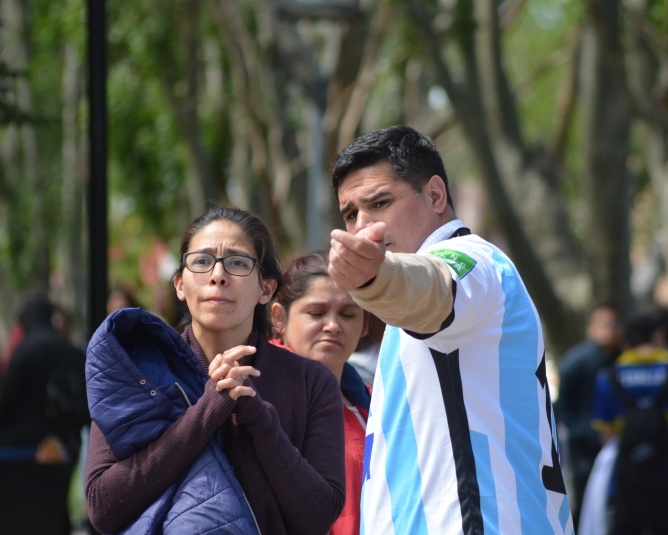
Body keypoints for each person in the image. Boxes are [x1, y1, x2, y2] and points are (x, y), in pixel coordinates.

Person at [327, 125, 573, 534]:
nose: (363, 227)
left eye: (380, 202)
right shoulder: (401, 307)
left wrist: (374, 279)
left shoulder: (473, 259)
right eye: (351, 214)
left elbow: (436, 289)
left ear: (436, 195)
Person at [84, 205, 345, 534]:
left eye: (237, 262)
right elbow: (102, 507)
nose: (218, 275)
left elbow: (319, 516)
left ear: (266, 289)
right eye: (202, 261)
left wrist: (259, 419)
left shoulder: (310, 381)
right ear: (180, 285)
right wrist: (207, 411)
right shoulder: (139, 372)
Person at [272, 250, 371, 535]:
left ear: (365, 323)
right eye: (316, 313)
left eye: (348, 314)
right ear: (279, 317)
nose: (332, 326)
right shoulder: (255, 394)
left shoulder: (378, 404)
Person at [592, 310, 668, 535]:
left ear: (625, 341)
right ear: (659, 335)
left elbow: (606, 437)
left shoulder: (607, 379)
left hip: (626, 483)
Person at [0, 294, 89, 535]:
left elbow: (6, 402)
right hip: (64, 445)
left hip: (23, 452)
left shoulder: (24, 351)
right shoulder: (70, 351)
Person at [556, 303, 622, 528]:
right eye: (604, 324)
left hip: (618, 446)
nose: (609, 330)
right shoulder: (576, 362)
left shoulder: (623, 360)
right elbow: (562, 405)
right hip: (585, 447)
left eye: (614, 324)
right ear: (592, 328)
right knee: (585, 504)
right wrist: (580, 431)